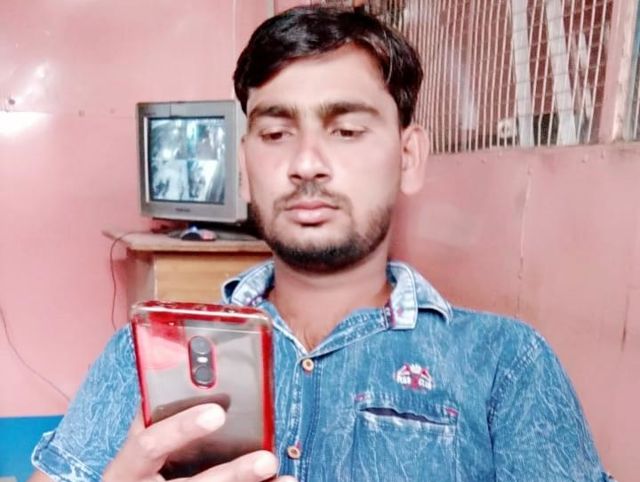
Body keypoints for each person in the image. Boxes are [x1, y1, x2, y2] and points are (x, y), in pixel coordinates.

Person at [29, 6, 613, 482]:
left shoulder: (506, 365)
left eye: (347, 130)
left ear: (409, 157)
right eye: (276, 133)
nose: (306, 163)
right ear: (243, 167)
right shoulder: (151, 355)